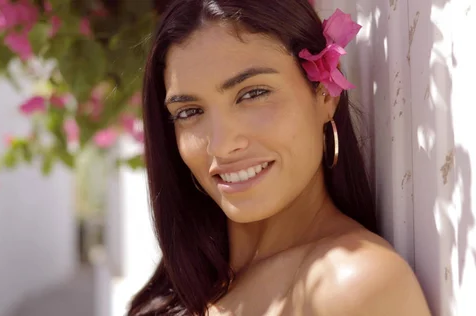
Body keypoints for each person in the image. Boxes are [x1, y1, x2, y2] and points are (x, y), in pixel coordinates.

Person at [128, 0, 431, 315]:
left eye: (253, 94)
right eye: (189, 112)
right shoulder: (186, 283)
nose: (220, 145)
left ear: (325, 94)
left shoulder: (355, 286)